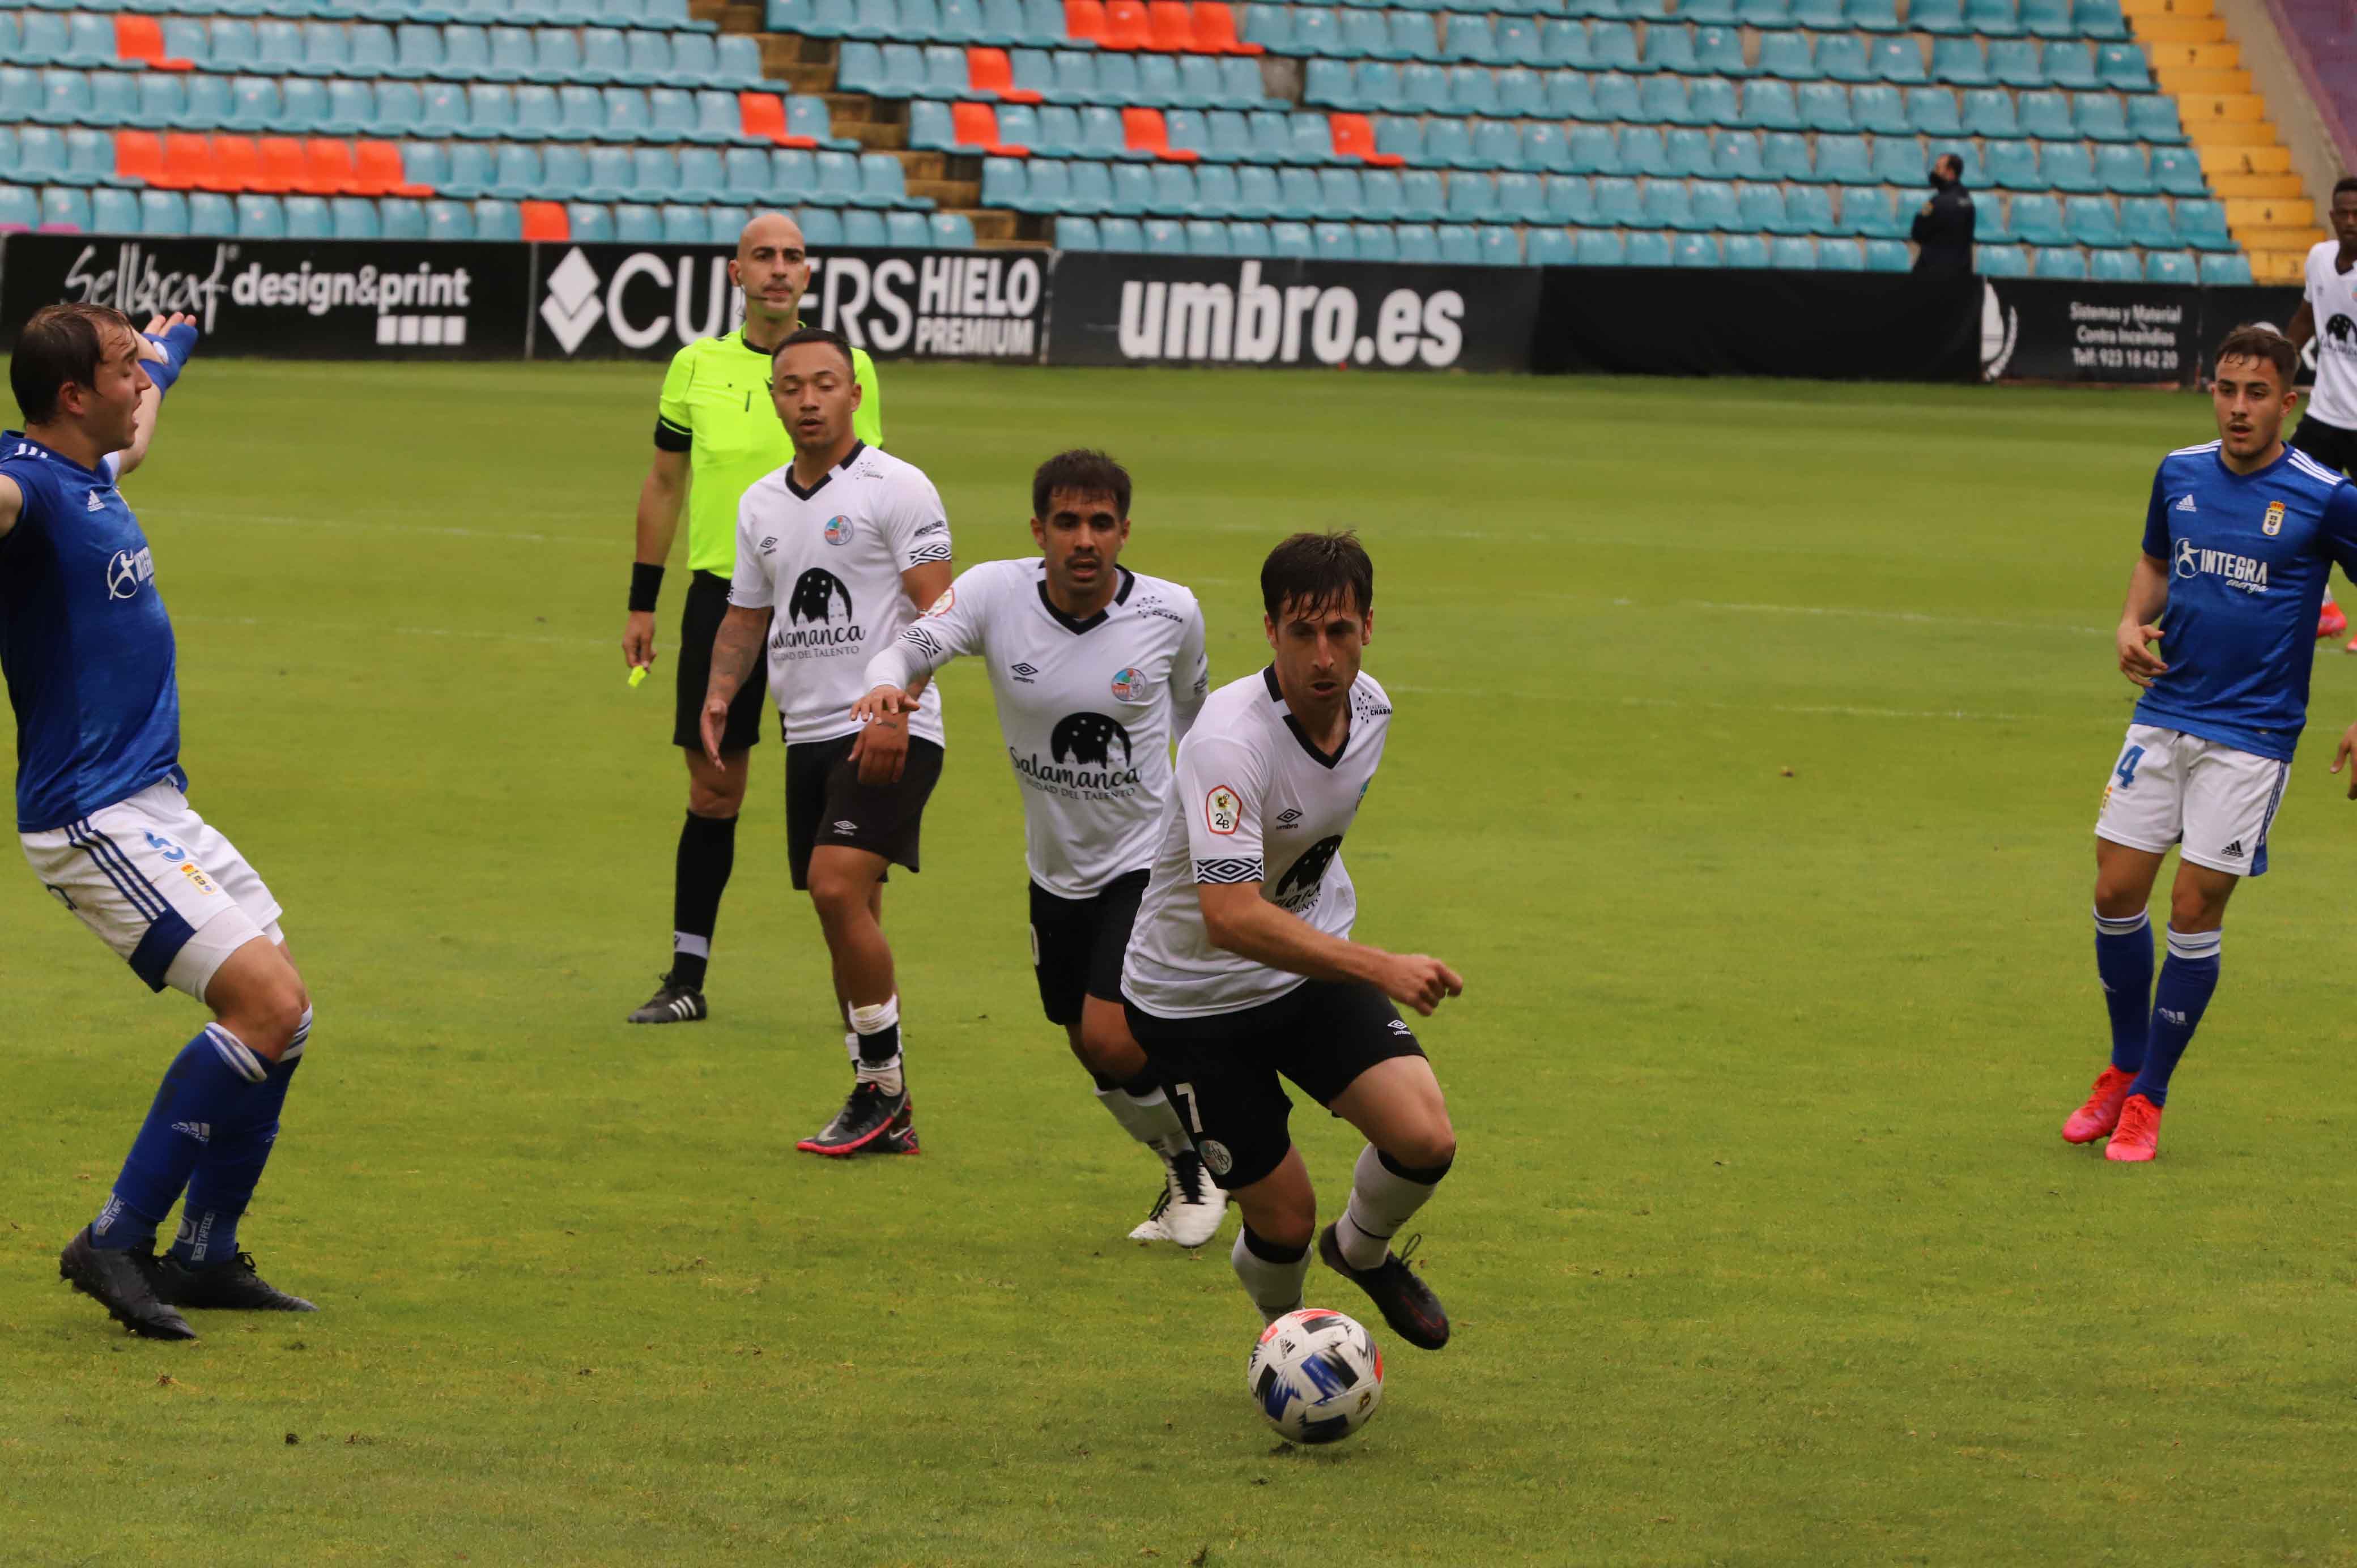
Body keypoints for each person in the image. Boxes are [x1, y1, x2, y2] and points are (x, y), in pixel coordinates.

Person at [3, 305, 316, 1339]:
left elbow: (143, 417)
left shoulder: (93, 465)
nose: (140, 378)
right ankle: (115, 1235)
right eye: (123, 366)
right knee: (263, 1005)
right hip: (89, 813)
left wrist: (172, 345)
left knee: (287, 1016)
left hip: (156, 801)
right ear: (71, 397)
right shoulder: (30, 489)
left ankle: (207, 1251)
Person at [853, 450, 1227, 1246]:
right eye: (1067, 522)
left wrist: (1212, 826)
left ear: (1126, 531)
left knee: (1106, 1032)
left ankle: (1214, 1159)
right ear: (1039, 530)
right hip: (1054, 868)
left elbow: (1199, 720)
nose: (1084, 539)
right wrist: (889, 687)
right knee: (1081, 1036)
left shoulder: (1172, 613)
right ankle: (1184, 1153)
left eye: (1100, 523)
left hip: (1148, 857)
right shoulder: (994, 592)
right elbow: (910, 647)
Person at [1121, 531, 1465, 1349]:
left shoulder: (1373, 709)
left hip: (1303, 970)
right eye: (1301, 632)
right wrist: (1378, 963)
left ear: (1368, 628)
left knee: (1425, 1139)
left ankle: (1362, 1251)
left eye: (1339, 631)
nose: (1323, 655)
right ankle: (1289, 1341)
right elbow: (1231, 915)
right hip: (1190, 1001)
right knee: (1283, 1220)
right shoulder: (1228, 740)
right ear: (1270, 629)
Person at [2065, 326, 2357, 1161]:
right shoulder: (2180, 471)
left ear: (2288, 403)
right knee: (2116, 893)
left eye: (2256, 394)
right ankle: (2122, 1068)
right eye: (2226, 390)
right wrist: (2130, 620)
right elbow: (2156, 561)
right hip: (2164, 712)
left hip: (2253, 738)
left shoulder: (2326, 495)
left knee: (2194, 909)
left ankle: (2150, 1098)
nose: (2237, 408)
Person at [622, 212, 885, 1026]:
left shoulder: (850, 368)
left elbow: (869, 483)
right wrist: (642, 599)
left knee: (851, 791)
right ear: (736, 274)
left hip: (827, 603)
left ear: (808, 275)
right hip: (721, 597)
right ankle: (686, 977)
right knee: (714, 788)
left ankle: (864, 989)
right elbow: (666, 483)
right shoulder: (694, 367)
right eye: (762, 257)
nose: (779, 269)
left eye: (792, 257)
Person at [703, 327, 951, 1157]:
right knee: (846, 912)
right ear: (773, 397)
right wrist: (718, 692)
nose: (807, 400)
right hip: (806, 730)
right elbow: (746, 614)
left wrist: (898, 705)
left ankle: (879, 1093)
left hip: (887, 724)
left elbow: (939, 610)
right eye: (791, 388)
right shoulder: (761, 503)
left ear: (853, 393)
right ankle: (883, 1101)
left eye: (824, 385)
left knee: (835, 889)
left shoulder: (898, 485)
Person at [2284, 177, 2357, 646]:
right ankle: (2324, 608)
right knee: (2290, 506)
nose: (2350, 222)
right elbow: (2306, 317)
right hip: (2324, 418)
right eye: (2343, 213)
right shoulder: (2318, 258)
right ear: (2331, 215)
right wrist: (2275, 368)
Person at [1912, 154, 1975, 278]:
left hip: (1933, 274)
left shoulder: (1936, 203)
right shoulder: (1968, 200)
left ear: (1950, 172)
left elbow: (1917, 233)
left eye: (1938, 168)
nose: (1934, 172)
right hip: (1960, 273)